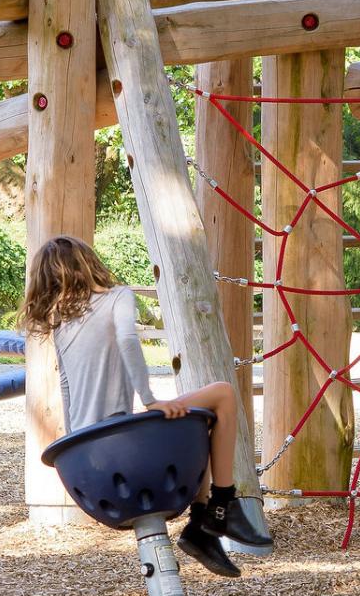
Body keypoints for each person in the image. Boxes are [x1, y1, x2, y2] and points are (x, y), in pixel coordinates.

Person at [20, 235, 270, 577]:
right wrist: (150, 399)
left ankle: (202, 524)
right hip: (123, 442)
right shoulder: (118, 296)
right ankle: (221, 507)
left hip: (88, 452)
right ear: (89, 263)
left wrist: (78, 438)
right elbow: (126, 338)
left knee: (195, 422)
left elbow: (65, 383)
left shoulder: (61, 323)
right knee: (222, 394)